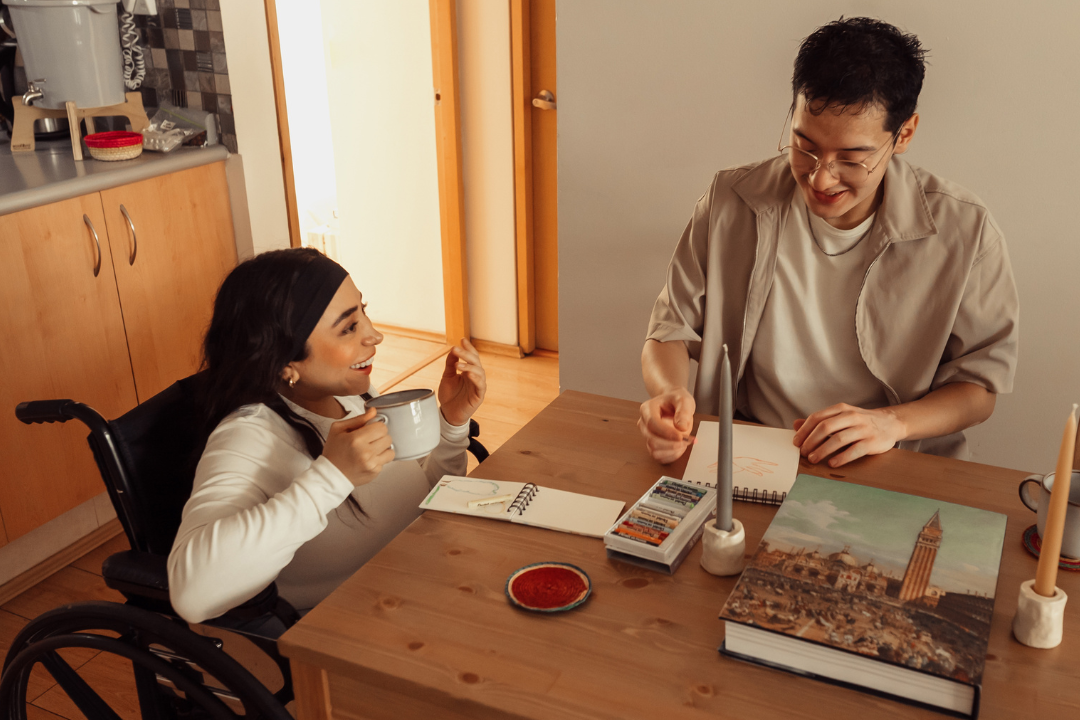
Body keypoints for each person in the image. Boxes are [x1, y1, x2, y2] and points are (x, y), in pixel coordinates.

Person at [639, 17, 1018, 468]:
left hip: (891, 459)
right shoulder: (732, 200)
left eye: (851, 158)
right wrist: (669, 395)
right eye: (804, 146)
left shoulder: (966, 230)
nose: (820, 176)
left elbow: (981, 388)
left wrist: (890, 424)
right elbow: (668, 331)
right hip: (751, 447)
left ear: (905, 134)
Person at [167, 248, 486, 629]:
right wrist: (332, 476)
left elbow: (418, 504)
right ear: (285, 361)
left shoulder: (351, 397)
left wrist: (450, 425)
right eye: (349, 327)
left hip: (427, 587)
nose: (376, 335)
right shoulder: (249, 438)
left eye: (363, 312)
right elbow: (191, 595)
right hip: (358, 634)